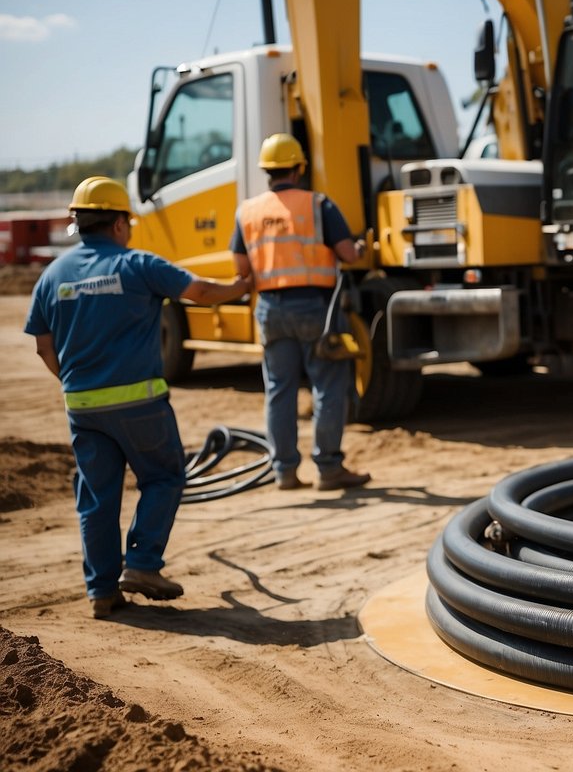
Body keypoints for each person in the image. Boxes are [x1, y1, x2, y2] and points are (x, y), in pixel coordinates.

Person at [24, 176, 252, 618]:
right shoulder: (137, 265)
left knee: (97, 497)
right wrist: (241, 287)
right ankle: (143, 564)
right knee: (164, 477)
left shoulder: (53, 275)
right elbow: (200, 292)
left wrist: (73, 381)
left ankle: (102, 592)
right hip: (140, 405)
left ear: (78, 225)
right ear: (118, 225)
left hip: (83, 407)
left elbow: (42, 344)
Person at [231, 133, 372, 492]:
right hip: (315, 307)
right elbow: (348, 254)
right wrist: (358, 245)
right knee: (328, 386)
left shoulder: (247, 211)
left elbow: (241, 269)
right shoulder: (318, 204)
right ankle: (328, 468)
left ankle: (285, 472)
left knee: (279, 390)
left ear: (267, 171)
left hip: (270, 309)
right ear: (299, 168)